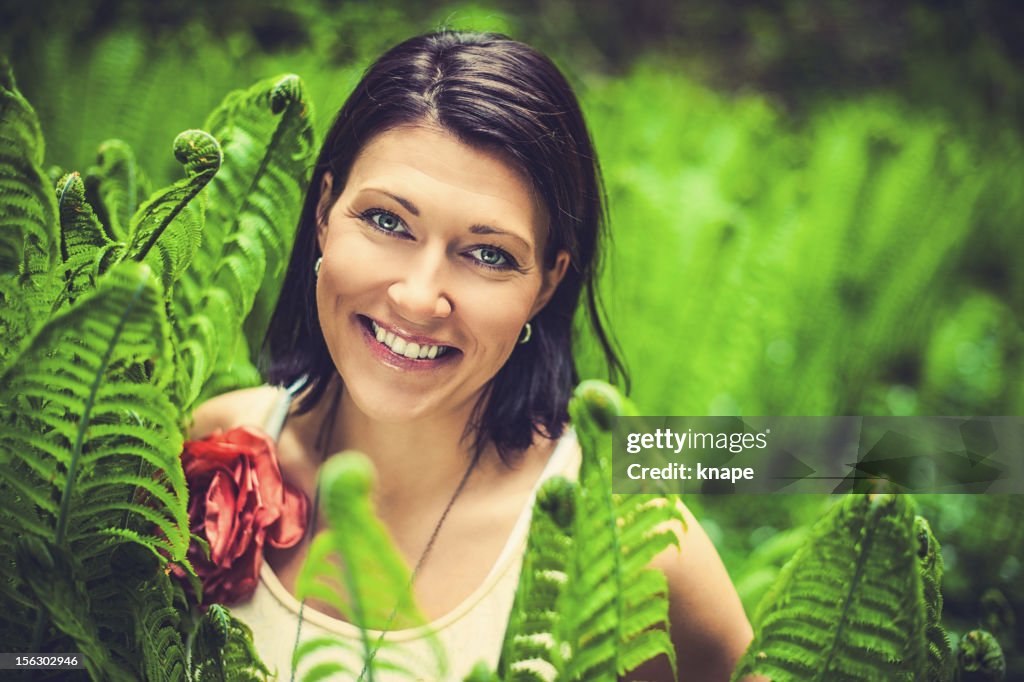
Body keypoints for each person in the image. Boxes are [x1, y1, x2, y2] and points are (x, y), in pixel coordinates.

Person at [189, 30, 753, 681]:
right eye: (387, 221)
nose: (419, 297)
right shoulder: (211, 446)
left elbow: (862, 456)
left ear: (545, 285)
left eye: (489, 254)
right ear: (324, 212)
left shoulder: (619, 531)